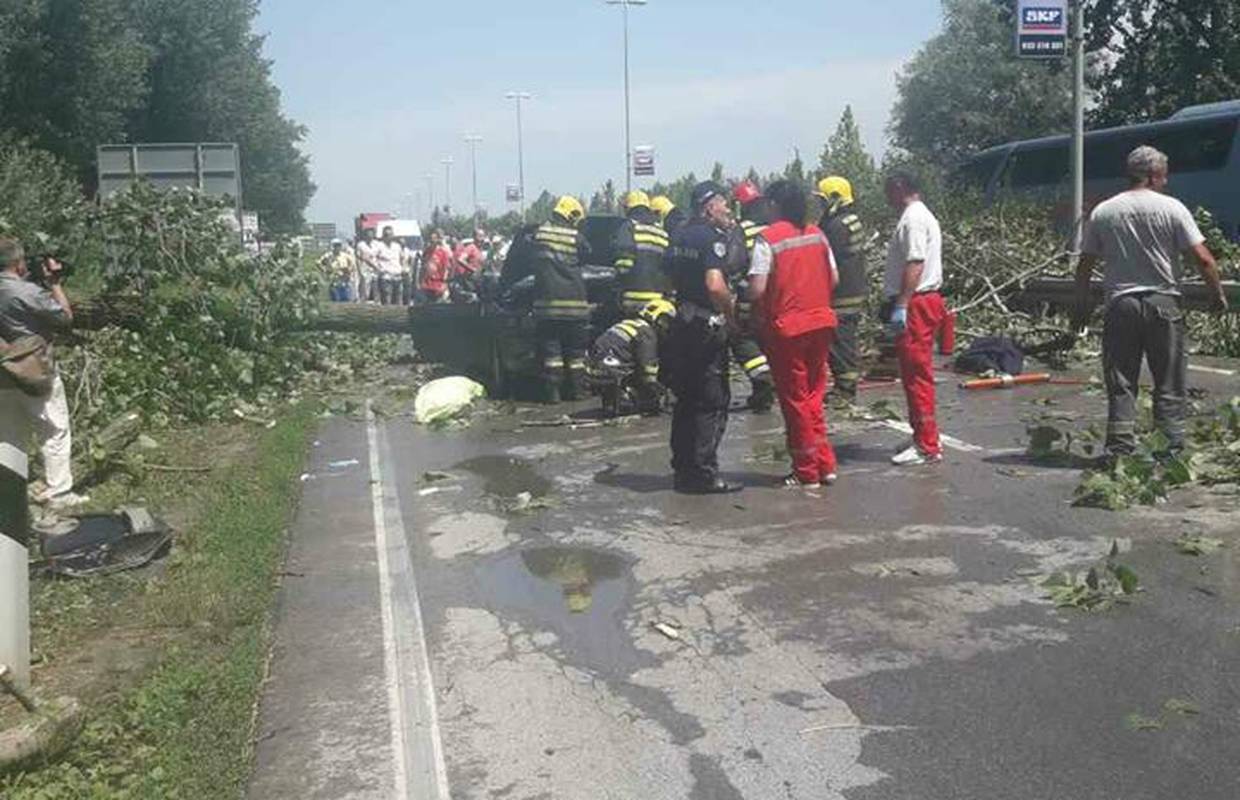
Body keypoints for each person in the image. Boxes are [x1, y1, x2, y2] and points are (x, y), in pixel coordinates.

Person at [1073, 145, 1228, 459]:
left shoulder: (1105, 211)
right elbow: (1204, 260)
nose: (1166, 181)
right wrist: (1217, 297)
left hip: (1120, 304)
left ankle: (1119, 450)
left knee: (1121, 380)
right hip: (1164, 302)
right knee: (1169, 379)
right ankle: (1169, 451)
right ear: (1155, 175)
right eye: (1164, 176)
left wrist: (1081, 308)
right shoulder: (1172, 208)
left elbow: (1085, 265)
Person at [748, 181, 840, 488]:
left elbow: (758, 288)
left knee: (795, 400)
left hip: (787, 328)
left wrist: (748, 303)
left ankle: (806, 470)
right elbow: (835, 277)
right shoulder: (817, 233)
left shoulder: (768, 238)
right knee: (814, 395)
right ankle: (825, 465)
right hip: (822, 322)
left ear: (775, 205)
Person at [662, 182, 742, 495]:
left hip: (682, 322)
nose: (727, 211)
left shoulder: (678, 235)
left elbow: (667, 278)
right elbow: (715, 285)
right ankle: (704, 474)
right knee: (712, 400)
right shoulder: (711, 238)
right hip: (706, 327)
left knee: (686, 398)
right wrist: (732, 316)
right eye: (723, 204)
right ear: (708, 206)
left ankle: (683, 469)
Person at [0, 239, 87, 508]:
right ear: (17, 263)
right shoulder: (26, 292)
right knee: (54, 428)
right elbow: (64, 317)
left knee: (8, 434)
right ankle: (59, 492)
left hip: (3, 371)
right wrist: (55, 283)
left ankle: (10, 490)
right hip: (33, 368)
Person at [499, 196, 591, 403]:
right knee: (576, 355)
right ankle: (577, 392)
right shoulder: (576, 237)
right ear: (572, 215)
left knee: (552, 354)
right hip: (576, 308)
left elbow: (524, 255)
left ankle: (553, 394)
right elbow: (587, 254)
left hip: (547, 308)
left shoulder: (539, 234)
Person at [883, 172, 946, 466]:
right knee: (912, 374)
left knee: (917, 374)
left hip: (918, 302)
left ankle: (926, 445)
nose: (886, 198)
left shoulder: (913, 220)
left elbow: (915, 262)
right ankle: (922, 433)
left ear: (899, 189)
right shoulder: (918, 216)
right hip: (920, 301)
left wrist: (903, 303)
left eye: (888, 191)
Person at [816, 176, 869, 408]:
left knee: (840, 344)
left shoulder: (836, 226)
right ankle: (844, 388)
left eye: (822, 200)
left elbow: (823, 257)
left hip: (842, 295)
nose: (820, 206)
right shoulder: (851, 219)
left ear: (834, 198)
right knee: (845, 341)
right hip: (853, 289)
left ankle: (845, 392)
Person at [727, 181, 776, 413]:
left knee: (741, 339)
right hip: (776, 297)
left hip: (750, 295)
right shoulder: (775, 226)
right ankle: (764, 393)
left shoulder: (742, 229)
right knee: (768, 342)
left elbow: (733, 263)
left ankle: (762, 379)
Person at [587, 298, 676, 418]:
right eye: (665, 321)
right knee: (649, 391)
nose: (666, 326)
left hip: (594, 372)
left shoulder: (629, 323)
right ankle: (626, 400)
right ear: (657, 316)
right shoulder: (647, 332)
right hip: (614, 374)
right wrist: (661, 393)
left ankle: (614, 401)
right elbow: (648, 368)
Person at [612, 191, 672, 319]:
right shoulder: (661, 231)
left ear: (628, 209)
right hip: (658, 301)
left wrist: (617, 284)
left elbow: (624, 265)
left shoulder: (629, 227)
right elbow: (668, 267)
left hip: (633, 300)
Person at [372, 226, 407, 305]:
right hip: (386, 278)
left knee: (399, 302)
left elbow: (402, 258)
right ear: (383, 236)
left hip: (398, 277)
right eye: (386, 235)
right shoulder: (379, 246)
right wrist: (377, 268)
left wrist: (403, 268)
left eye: (390, 234)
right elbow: (368, 257)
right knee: (387, 302)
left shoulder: (397, 246)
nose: (388, 236)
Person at [419, 229, 453, 304]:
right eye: (430, 240)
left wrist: (444, 284)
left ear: (437, 240)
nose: (431, 242)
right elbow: (423, 267)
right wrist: (420, 282)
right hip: (427, 284)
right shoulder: (426, 252)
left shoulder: (443, 252)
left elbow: (446, 269)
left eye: (433, 240)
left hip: (438, 283)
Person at [354, 227, 380, 303]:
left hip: (375, 269)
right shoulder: (360, 245)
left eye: (371, 234)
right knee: (365, 288)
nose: (370, 236)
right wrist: (359, 271)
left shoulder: (377, 244)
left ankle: (377, 301)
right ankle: (364, 301)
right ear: (365, 235)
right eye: (368, 234)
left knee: (376, 287)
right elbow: (358, 258)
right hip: (365, 268)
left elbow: (379, 256)